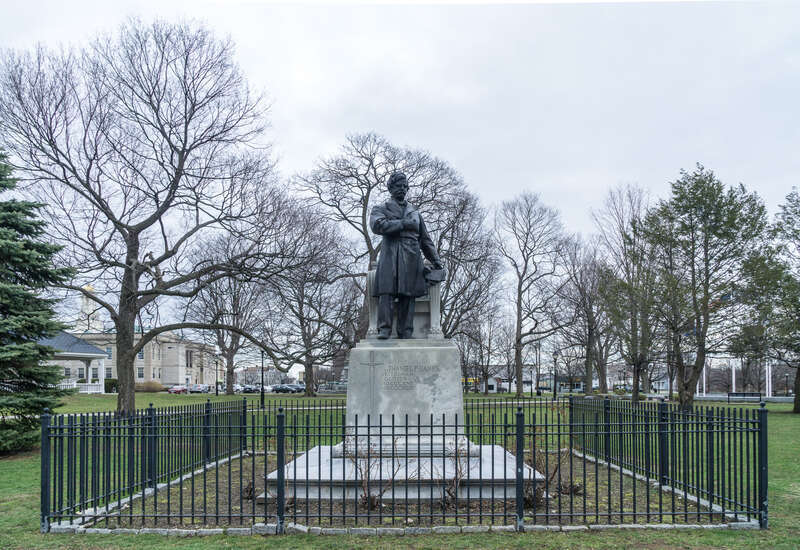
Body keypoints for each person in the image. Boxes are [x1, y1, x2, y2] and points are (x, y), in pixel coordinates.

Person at [370, 172, 443, 339]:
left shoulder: (415, 213)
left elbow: (425, 240)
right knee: (386, 292)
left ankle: (406, 331)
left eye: (404, 186)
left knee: (407, 294)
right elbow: (377, 225)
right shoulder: (381, 208)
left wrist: (436, 261)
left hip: (411, 256)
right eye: (398, 186)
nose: (402, 189)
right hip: (390, 254)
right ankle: (384, 329)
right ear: (390, 188)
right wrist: (403, 224)